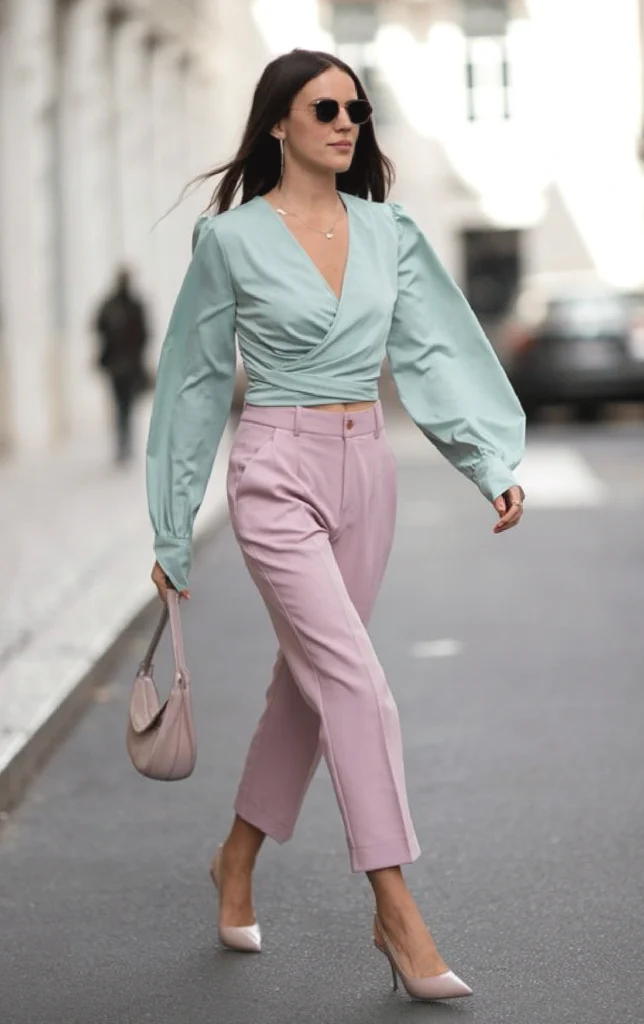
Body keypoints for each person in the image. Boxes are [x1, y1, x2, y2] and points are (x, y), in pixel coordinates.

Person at [146, 49, 526, 1002]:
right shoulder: (229, 241)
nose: (347, 121)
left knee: (308, 685)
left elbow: (438, 345)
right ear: (280, 121)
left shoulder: (388, 230)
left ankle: (234, 860)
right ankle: (395, 908)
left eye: (356, 108)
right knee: (356, 683)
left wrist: (485, 459)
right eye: (326, 107)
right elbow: (193, 381)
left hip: (368, 469)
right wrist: (170, 524)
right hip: (274, 469)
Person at [95, 267, 149, 463]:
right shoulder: (111, 306)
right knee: (121, 407)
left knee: (127, 406)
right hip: (118, 367)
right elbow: (98, 327)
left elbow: (144, 334)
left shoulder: (135, 305)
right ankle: (122, 444)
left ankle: (126, 444)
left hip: (130, 366)